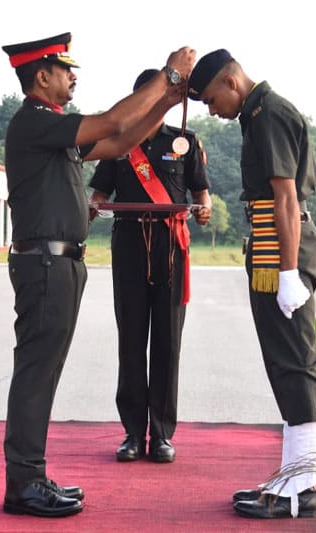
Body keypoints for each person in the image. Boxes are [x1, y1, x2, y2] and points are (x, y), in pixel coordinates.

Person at [0, 33, 195, 518]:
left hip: (60, 263)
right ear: (41, 76)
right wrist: (167, 76)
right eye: (64, 69)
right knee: (36, 372)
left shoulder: (53, 129)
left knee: (44, 372)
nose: (73, 76)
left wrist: (166, 101)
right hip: (45, 263)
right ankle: (23, 482)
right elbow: (112, 121)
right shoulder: (34, 123)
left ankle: (32, 475)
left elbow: (122, 138)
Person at [187, 49, 316, 519]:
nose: (210, 110)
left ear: (230, 81)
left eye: (209, 99)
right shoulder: (255, 116)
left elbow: (286, 199)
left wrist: (289, 273)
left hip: (281, 250)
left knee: (296, 363)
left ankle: (302, 487)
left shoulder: (269, 115)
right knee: (283, 365)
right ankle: (292, 476)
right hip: (269, 248)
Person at [88, 69, 212, 464]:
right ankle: (130, 433)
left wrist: (205, 209)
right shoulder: (118, 145)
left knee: (167, 341)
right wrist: (90, 208)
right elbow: (99, 193)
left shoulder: (185, 142)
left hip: (170, 245)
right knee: (131, 340)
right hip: (128, 243)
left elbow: (201, 193)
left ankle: (161, 435)